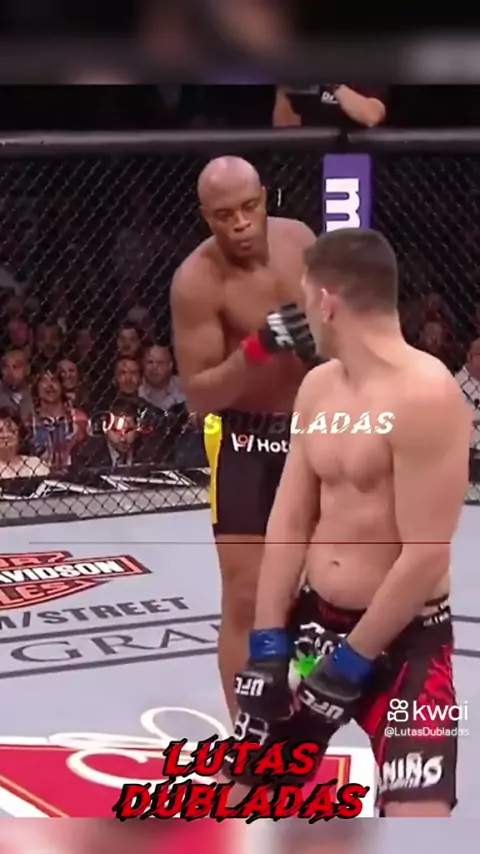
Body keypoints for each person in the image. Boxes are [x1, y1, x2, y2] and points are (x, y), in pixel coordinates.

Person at [230, 228, 470, 817]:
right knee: (245, 805)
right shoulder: (317, 388)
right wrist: (267, 642)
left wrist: (352, 663)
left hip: (405, 643)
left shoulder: (427, 395)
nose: (302, 315)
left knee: (420, 825)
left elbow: (426, 554)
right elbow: (290, 517)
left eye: (304, 298)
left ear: (327, 300)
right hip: (314, 623)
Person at [171, 155, 317, 719]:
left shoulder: (301, 240)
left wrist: (320, 345)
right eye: (224, 214)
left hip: (312, 432)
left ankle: (308, 713)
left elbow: (342, 326)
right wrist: (257, 348)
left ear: (265, 197)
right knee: (246, 595)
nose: (239, 224)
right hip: (243, 439)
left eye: (249, 207)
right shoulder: (196, 282)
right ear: (205, 216)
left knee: (322, 588)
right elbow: (201, 394)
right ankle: (245, 731)